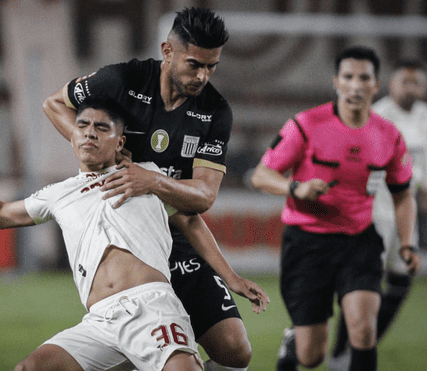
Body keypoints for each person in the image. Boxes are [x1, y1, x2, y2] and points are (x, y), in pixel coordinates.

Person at [0, 97, 268, 371]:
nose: (89, 133)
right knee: (29, 369)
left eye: (102, 128)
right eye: (83, 126)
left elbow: (191, 219)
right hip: (100, 321)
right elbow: (0, 213)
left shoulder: (147, 174)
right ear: (72, 136)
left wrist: (230, 277)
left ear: (120, 143)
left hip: (152, 307)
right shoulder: (58, 193)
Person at [43, 7, 267, 371]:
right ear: (167, 51)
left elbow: (204, 197)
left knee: (235, 351)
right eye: (194, 64)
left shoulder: (215, 112)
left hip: (175, 233)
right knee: (134, 355)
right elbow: (53, 103)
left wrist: (153, 181)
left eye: (211, 67)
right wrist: (100, 149)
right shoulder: (123, 80)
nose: (203, 76)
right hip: (125, 238)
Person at [249, 46, 422, 371]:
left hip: (359, 240)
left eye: (364, 78)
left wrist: (408, 243)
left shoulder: (389, 136)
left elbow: (403, 195)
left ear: (376, 84)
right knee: (312, 356)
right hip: (307, 244)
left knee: (364, 327)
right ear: (336, 82)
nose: (356, 85)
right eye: (348, 77)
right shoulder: (306, 125)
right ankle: (294, 343)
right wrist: (295, 188)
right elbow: (260, 175)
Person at [329, 59, 427, 370]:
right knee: (365, 288)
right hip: (378, 209)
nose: (411, 88)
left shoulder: (425, 114)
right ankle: (340, 354)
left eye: (417, 83)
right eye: (406, 82)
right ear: (391, 84)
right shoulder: (378, 114)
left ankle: (362, 344)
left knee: (402, 282)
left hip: (407, 208)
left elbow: (425, 154)